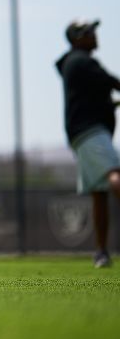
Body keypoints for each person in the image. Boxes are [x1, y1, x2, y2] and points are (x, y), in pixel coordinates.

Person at [55, 19, 120, 268]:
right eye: (89, 32)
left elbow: (95, 97)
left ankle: (101, 253)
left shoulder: (75, 63)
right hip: (90, 132)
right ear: (78, 39)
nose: (95, 35)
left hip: (81, 133)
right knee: (115, 175)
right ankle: (101, 252)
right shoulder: (82, 61)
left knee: (99, 191)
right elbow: (111, 82)